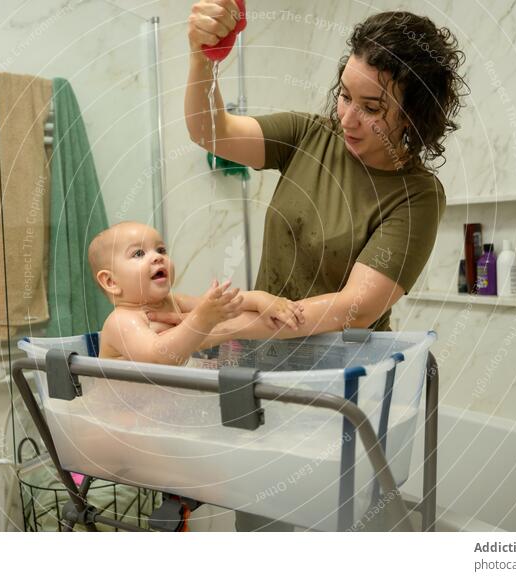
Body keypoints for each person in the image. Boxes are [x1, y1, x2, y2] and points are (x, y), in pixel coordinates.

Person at [151, 3, 468, 530]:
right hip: (255, 369)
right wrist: (203, 58)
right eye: (345, 95)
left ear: (413, 114)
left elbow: (356, 308)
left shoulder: (416, 196)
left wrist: (215, 326)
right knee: (260, 521)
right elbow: (210, 131)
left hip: (340, 386)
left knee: (327, 523)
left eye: (372, 107)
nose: (347, 117)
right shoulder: (308, 137)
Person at [90, 221, 304, 364]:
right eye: (138, 253)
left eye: (161, 250)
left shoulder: (174, 301)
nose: (157, 257)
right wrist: (202, 320)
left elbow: (224, 305)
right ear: (110, 281)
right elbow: (159, 357)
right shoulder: (121, 321)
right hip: (124, 417)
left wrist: (260, 299)